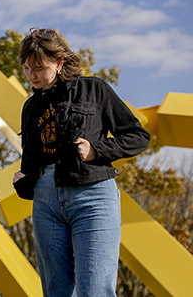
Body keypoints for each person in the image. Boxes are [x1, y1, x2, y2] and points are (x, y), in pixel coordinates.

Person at [13, 28, 150, 296]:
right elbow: (30, 159)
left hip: (93, 196)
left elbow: (138, 136)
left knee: (95, 290)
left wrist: (97, 150)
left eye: (39, 68)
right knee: (57, 291)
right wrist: (24, 181)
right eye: (27, 68)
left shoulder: (94, 89)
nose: (31, 76)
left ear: (59, 63)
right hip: (46, 202)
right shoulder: (30, 106)